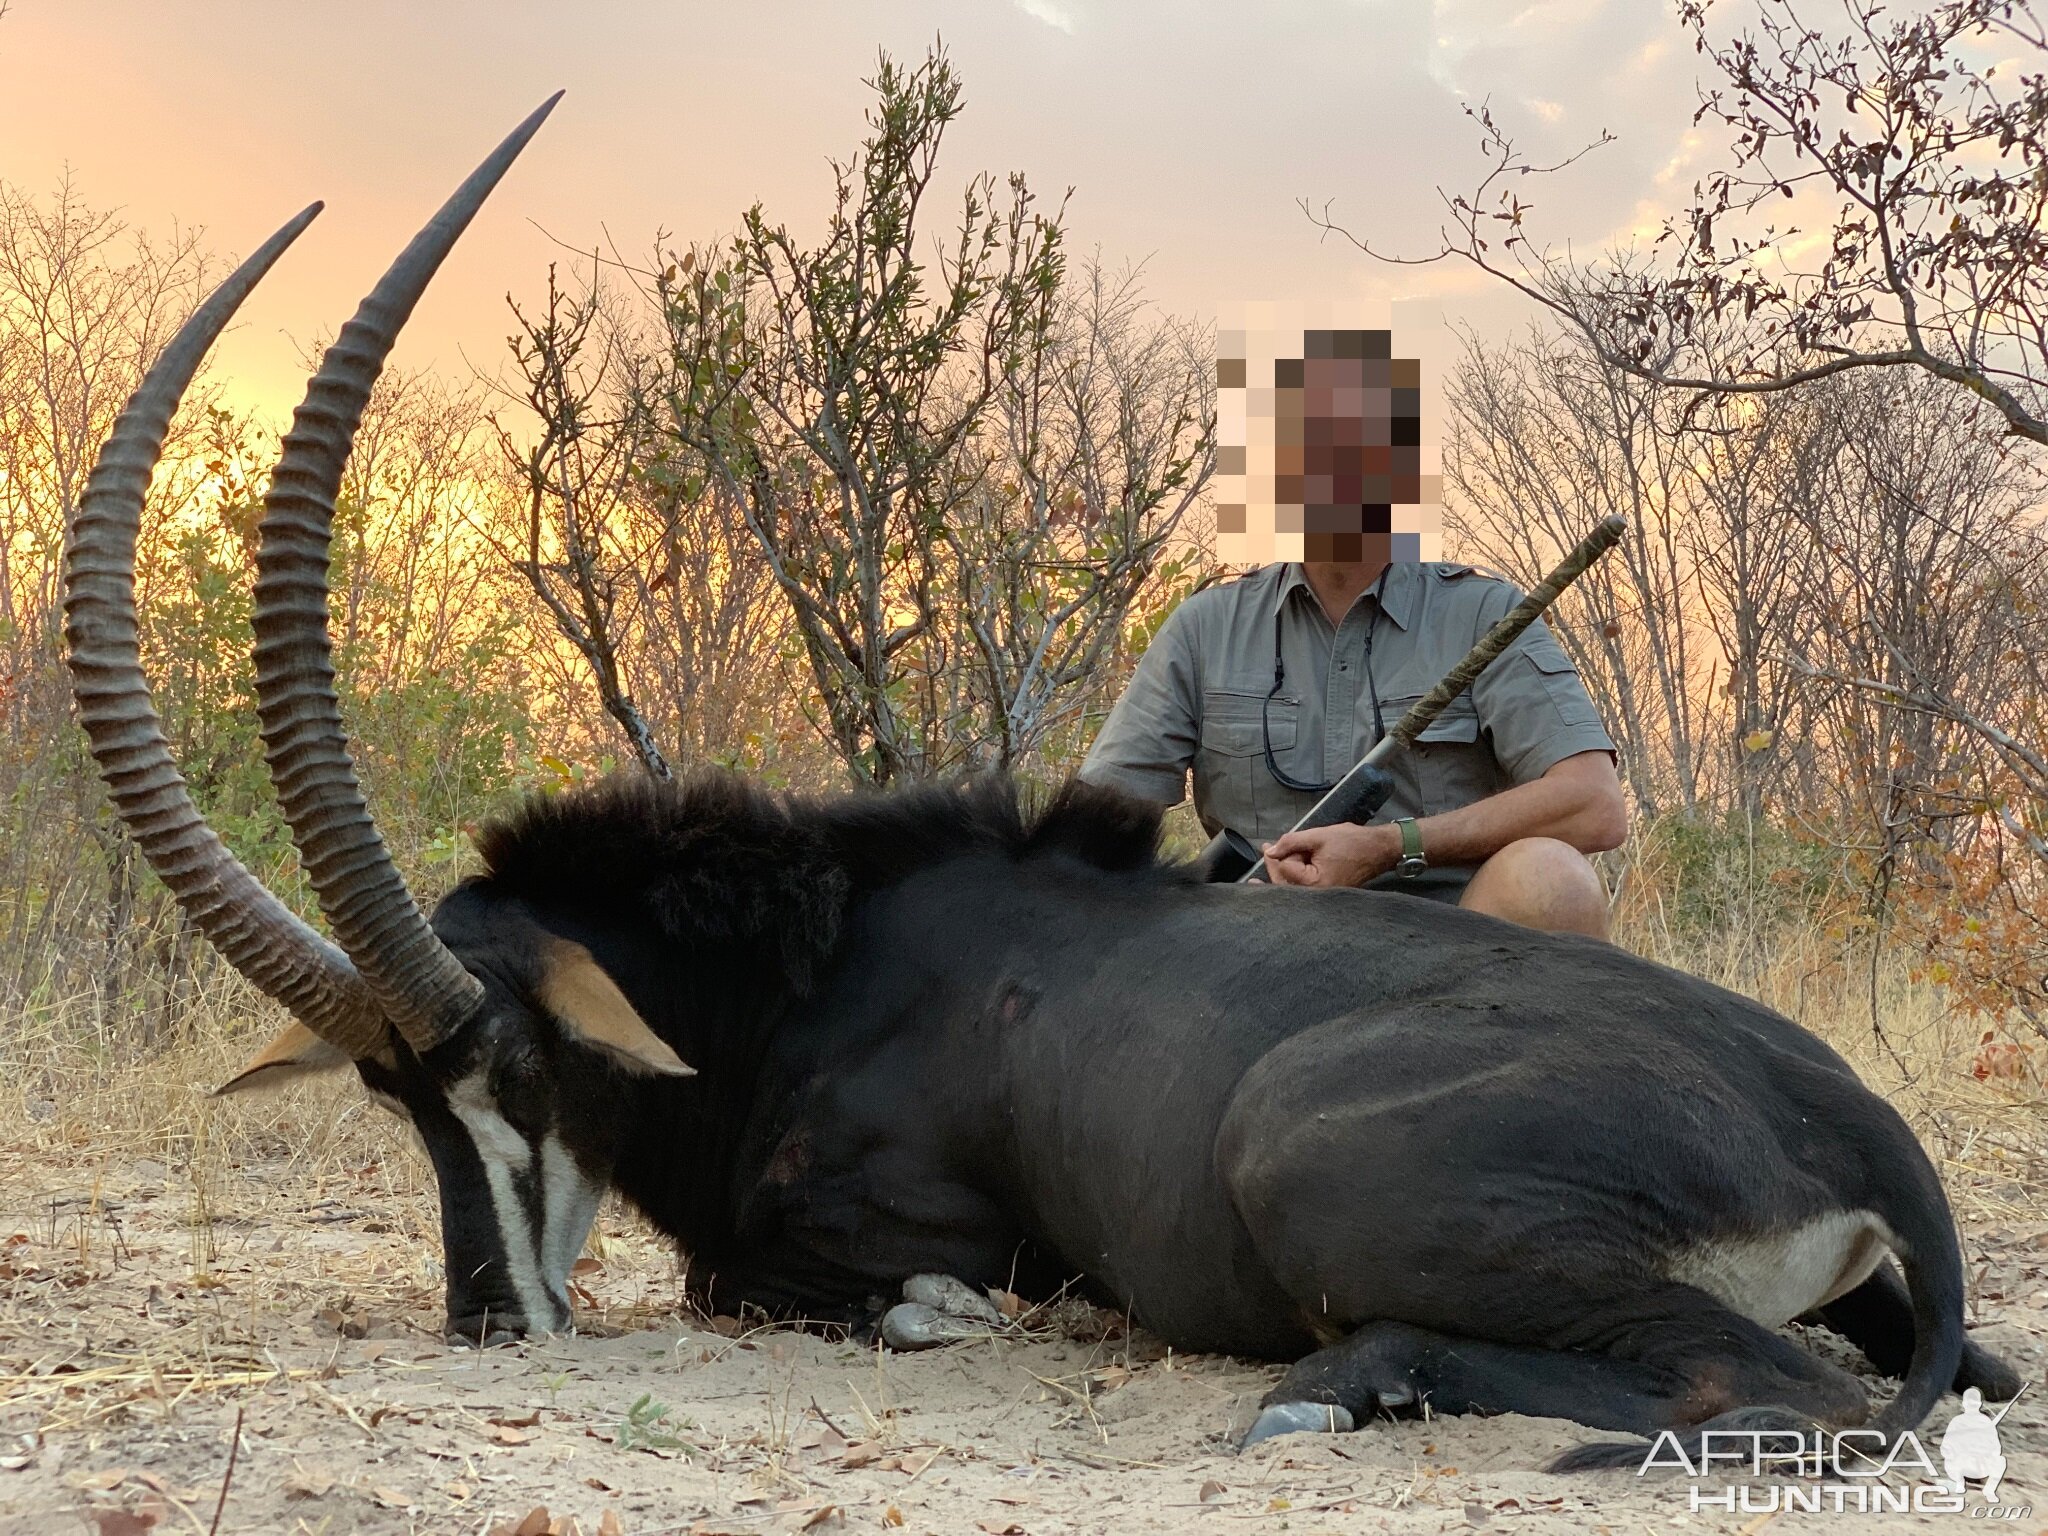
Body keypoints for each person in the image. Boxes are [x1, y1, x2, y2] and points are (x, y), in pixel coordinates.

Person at [1078, 328, 1627, 937]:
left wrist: (1393, 847)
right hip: (1247, 952)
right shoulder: (1203, 628)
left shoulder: (1485, 613)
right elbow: (1092, 833)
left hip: (1449, 953)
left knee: (1554, 882)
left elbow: (1594, 805)